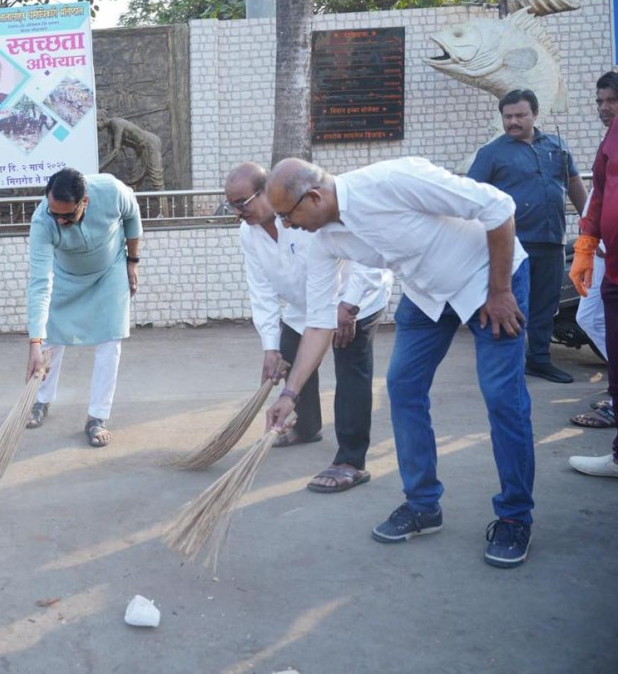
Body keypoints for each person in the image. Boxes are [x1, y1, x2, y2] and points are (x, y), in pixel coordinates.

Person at [263, 157, 535, 569]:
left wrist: (499, 291)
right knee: (403, 389)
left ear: (314, 196)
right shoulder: (321, 239)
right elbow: (319, 322)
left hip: (489, 280)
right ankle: (423, 505)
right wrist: (290, 394)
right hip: (429, 294)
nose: (286, 226)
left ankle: (515, 516)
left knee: (502, 396)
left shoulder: (394, 179)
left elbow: (499, 208)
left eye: (288, 215)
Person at [225, 162, 392, 493]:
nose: (237, 212)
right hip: (307, 306)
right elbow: (262, 290)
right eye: (232, 205)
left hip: (356, 298)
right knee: (290, 352)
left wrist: (350, 304)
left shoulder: (307, 215)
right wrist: (269, 347)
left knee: (350, 370)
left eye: (242, 203)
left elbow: (366, 254)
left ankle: (351, 460)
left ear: (267, 193)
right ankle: (307, 426)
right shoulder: (249, 233)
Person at [468, 89, 587, 384]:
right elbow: (469, 196)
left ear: (535, 114)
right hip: (511, 245)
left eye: (520, 115)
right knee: (512, 305)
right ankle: (506, 365)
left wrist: (589, 221)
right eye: (507, 116)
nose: (513, 122)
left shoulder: (557, 146)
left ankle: (539, 360)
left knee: (546, 304)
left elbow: (573, 183)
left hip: (551, 240)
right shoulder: (491, 153)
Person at [25, 168, 142, 448]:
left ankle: (97, 417)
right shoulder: (43, 221)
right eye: (55, 214)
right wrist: (34, 342)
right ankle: (40, 400)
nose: (60, 221)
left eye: (67, 215)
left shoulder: (111, 190)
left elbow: (133, 214)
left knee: (110, 341)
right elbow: (40, 282)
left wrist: (132, 262)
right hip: (66, 277)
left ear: (84, 202)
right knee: (51, 340)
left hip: (109, 272)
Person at [570, 71, 618, 430]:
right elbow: (599, 193)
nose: (604, 108)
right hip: (609, 261)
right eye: (600, 101)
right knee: (593, 320)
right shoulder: (609, 142)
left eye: (611, 100)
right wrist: (588, 244)